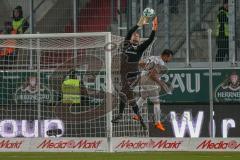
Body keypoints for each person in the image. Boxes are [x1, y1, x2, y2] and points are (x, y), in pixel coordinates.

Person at [111, 16, 158, 130]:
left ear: (139, 39)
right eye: (134, 35)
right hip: (124, 76)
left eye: (138, 36)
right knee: (129, 99)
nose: (136, 36)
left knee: (124, 93)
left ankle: (120, 115)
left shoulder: (140, 48)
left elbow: (150, 40)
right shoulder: (125, 45)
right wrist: (139, 24)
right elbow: (129, 32)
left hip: (134, 76)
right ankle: (141, 121)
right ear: (131, 38)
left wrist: (154, 29)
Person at [133, 49, 173, 131]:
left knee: (143, 97)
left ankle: (136, 114)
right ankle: (158, 122)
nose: (170, 60)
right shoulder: (160, 63)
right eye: (170, 58)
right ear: (166, 56)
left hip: (142, 79)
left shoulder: (152, 57)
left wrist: (148, 69)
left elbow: (140, 63)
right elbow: (152, 75)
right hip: (149, 80)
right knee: (156, 102)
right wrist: (162, 83)